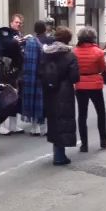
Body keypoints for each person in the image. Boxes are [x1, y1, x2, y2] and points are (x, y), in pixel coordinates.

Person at [73, 26, 106, 152]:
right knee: (100, 112)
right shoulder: (98, 52)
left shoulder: (74, 52)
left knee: (82, 115)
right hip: (94, 84)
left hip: (80, 84)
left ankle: (84, 144)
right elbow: (102, 69)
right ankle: (103, 139)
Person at [40, 26, 79, 165]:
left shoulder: (46, 53)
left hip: (50, 90)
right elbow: (75, 77)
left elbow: (40, 71)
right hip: (65, 90)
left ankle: (57, 152)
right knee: (64, 120)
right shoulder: (70, 55)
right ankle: (60, 155)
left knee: (54, 120)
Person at [0, 26, 24, 135]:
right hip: (12, 73)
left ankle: (0, 126)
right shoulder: (14, 42)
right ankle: (12, 125)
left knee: (1, 99)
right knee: (14, 98)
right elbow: (20, 59)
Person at [30, 20, 54, 136]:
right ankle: (44, 127)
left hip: (33, 74)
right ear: (44, 29)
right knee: (46, 100)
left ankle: (35, 127)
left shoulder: (30, 41)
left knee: (34, 100)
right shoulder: (50, 40)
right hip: (46, 74)